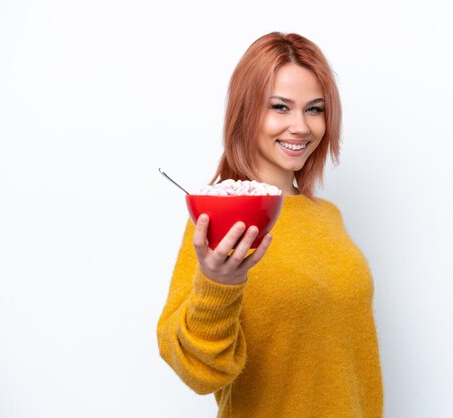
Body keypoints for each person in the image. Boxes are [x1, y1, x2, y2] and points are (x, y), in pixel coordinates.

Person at [157, 32, 383, 417]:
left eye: (315, 109)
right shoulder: (218, 220)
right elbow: (196, 372)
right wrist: (218, 286)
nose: (301, 126)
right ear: (246, 111)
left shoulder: (328, 216)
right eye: (280, 107)